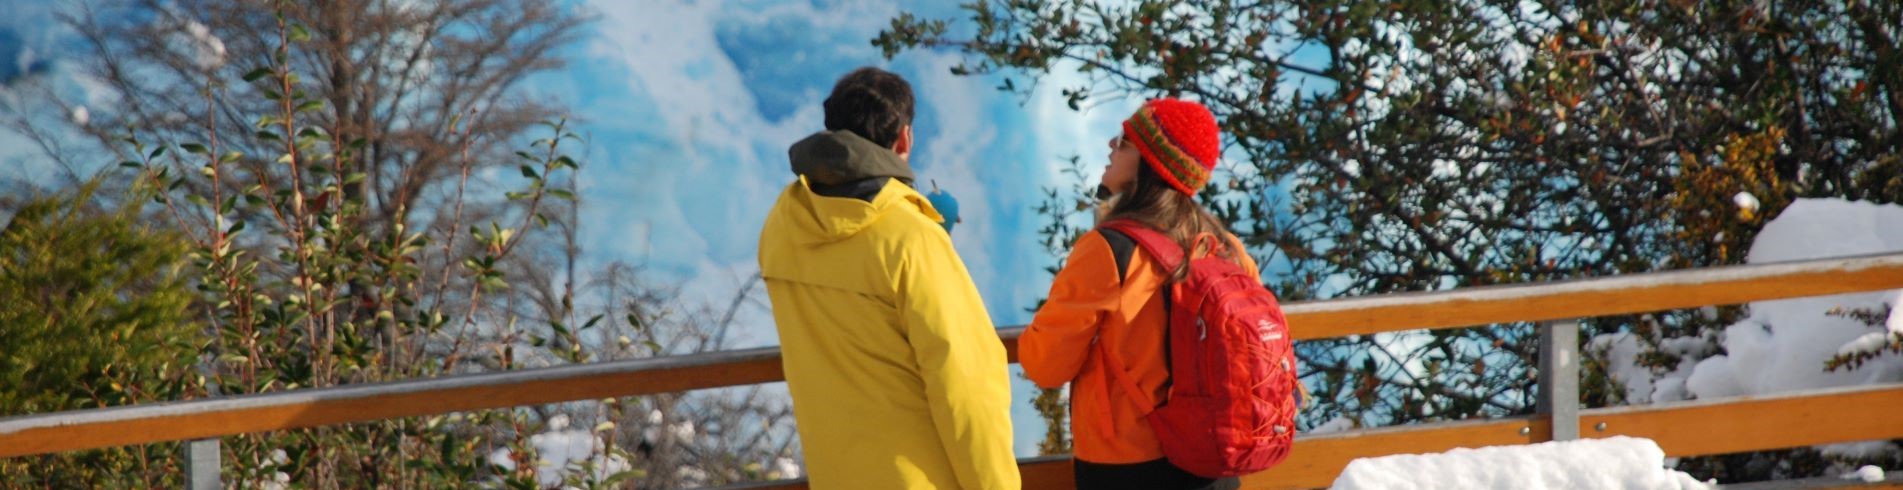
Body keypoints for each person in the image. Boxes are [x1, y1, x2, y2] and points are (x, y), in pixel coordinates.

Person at [757, 66, 1020, 490]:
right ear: (904, 138)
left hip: (836, 475)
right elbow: (966, 388)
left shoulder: (782, 226)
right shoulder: (912, 240)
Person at [1020, 98, 1253, 490]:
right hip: (1216, 460)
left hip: (1127, 466)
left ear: (1151, 162)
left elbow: (1046, 366)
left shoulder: (1111, 249)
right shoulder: (1227, 249)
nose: (1112, 145)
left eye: (1125, 141)